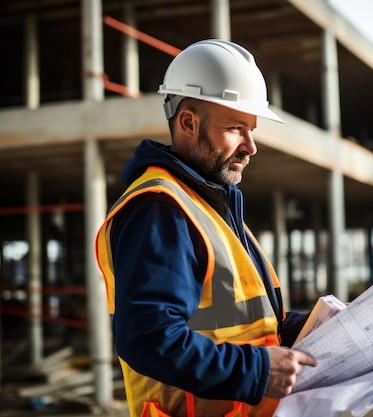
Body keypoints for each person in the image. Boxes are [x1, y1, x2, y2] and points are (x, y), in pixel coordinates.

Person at [96, 39, 317, 417]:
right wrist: (258, 370)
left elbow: (251, 323)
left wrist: (317, 326)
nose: (251, 146)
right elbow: (148, 338)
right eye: (236, 128)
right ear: (188, 123)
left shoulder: (212, 206)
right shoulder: (161, 210)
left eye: (252, 129)